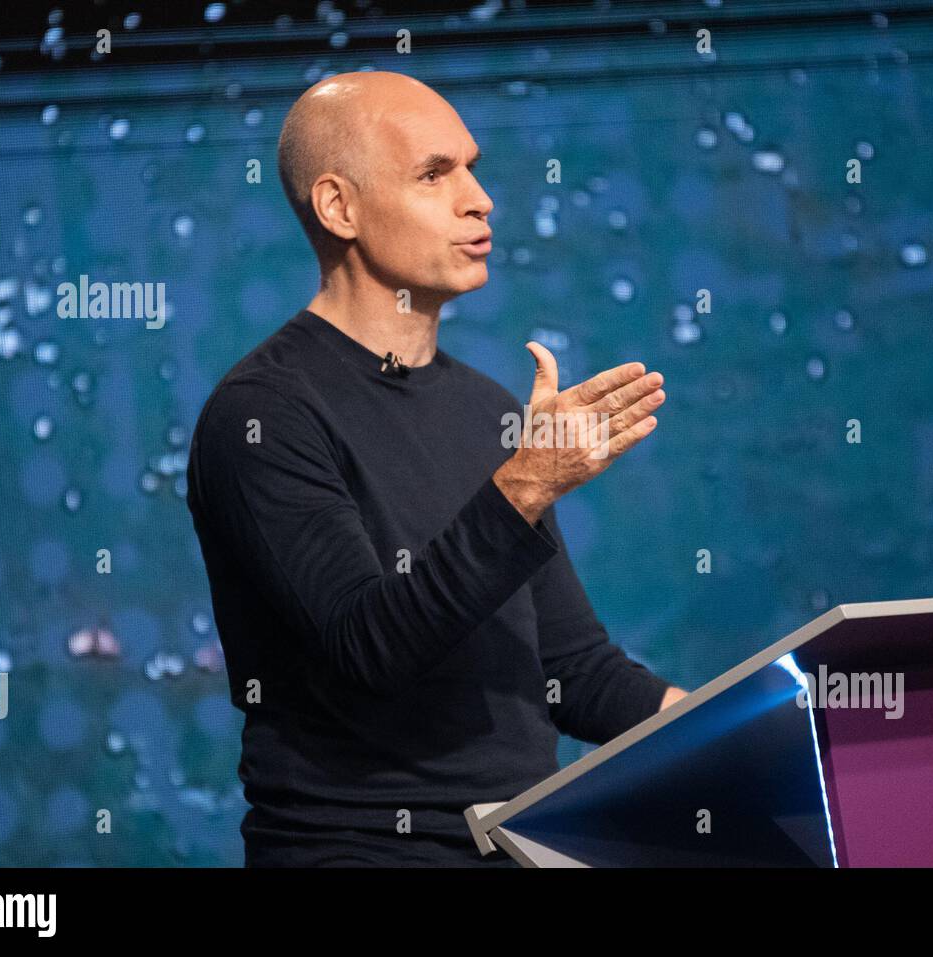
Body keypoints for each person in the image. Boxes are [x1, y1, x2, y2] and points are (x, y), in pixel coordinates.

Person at [186, 70, 686, 867]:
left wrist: (744, 724)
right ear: (338, 207)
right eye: (434, 173)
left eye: (473, 167)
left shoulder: (485, 408)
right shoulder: (263, 415)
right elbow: (369, 646)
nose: (480, 199)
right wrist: (527, 483)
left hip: (523, 848)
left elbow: (571, 670)